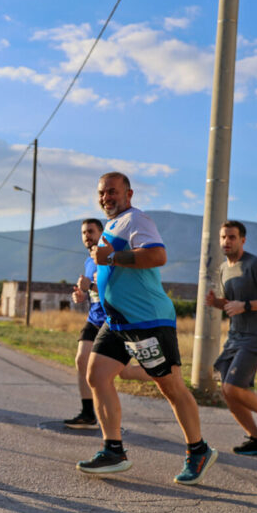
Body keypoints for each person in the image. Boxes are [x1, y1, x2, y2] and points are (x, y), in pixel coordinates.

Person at [77, 172, 217, 485]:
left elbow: (157, 255)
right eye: (102, 193)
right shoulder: (111, 226)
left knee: (170, 387)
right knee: (96, 375)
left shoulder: (136, 220)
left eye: (112, 191)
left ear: (128, 194)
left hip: (147, 321)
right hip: (117, 322)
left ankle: (199, 450)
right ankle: (113, 451)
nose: (106, 197)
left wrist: (112, 257)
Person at [205, 220, 257, 455]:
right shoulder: (224, 268)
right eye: (223, 237)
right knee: (227, 391)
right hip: (235, 337)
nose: (227, 241)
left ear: (242, 240)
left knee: (233, 387)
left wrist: (247, 305)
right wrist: (217, 303)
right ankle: (255, 440)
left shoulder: (255, 265)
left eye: (232, 237)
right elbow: (233, 304)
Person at [65, 218, 150, 429]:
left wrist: (90, 286)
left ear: (101, 233)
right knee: (81, 360)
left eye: (91, 231)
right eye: (84, 233)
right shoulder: (89, 262)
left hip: (113, 321)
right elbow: (91, 292)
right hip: (94, 319)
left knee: (124, 373)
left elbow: (115, 288)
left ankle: (159, 373)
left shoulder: (110, 257)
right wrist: (81, 295)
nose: (87, 236)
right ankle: (88, 413)